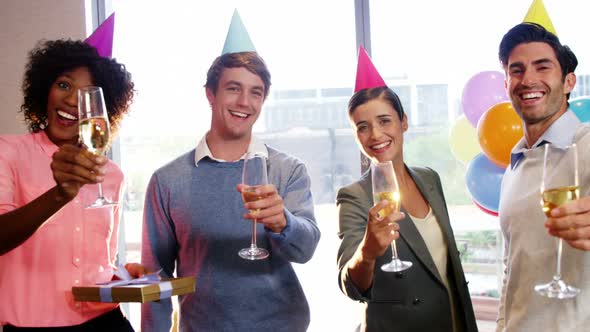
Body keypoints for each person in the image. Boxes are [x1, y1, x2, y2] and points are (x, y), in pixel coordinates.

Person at [140, 14, 321, 331]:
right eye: (233, 88)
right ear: (210, 94)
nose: (244, 102)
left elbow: (305, 250)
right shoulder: (167, 181)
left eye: (256, 92)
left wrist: (284, 222)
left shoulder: (287, 170)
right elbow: (155, 278)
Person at [336, 47, 478, 332]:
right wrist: (369, 251)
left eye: (384, 121)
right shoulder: (353, 196)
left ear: (404, 122)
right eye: (362, 127)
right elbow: (351, 286)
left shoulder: (430, 180)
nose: (375, 135)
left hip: (454, 320)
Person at [0, 38, 135, 330]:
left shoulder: (112, 175)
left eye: (87, 93)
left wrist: (124, 275)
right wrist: (60, 194)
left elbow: (100, 264)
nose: (73, 100)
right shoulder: (7, 152)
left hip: (107, 323)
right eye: (64, 85)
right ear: (44, 89)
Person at [496, 22, 590, 331]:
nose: (529, 80)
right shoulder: (513, 167)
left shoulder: (587, 143)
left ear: (568, 82)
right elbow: (512, 271)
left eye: (542, 67)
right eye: (517, 70)